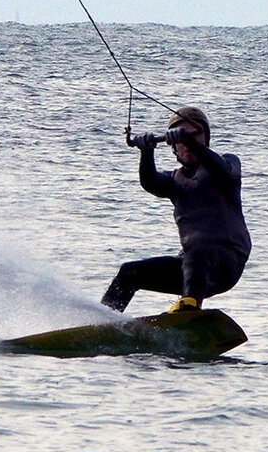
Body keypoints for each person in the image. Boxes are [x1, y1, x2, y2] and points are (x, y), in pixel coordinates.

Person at [101, 106, 252, 313]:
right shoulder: (174, 180)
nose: (187, 142)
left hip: (227, 262)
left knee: (197, 251)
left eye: (194, 134)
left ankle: (189, 306)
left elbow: (225, 171)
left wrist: (189, 141)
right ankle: (104, 320)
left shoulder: (226, 163)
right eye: (181, 138)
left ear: (205, 140)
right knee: (129, 272)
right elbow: (151, 183)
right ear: (174, 148)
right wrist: (146, 152)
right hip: (192, 267)